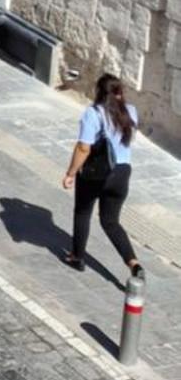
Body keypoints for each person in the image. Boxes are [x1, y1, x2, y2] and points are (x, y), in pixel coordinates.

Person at [62, 72, 144, 281]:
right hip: (122, 172)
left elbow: (83, 147)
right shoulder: (131, 112)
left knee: (83, 212)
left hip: (97, 173)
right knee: (110, 221)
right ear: (120, 93)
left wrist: (71, 173)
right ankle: (133, 263)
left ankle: (77, 257)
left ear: (99, 92)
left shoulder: (93, 113)